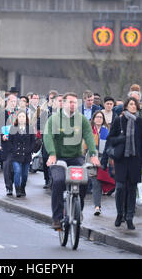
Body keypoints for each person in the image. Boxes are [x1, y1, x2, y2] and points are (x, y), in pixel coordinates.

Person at [44, 92, 101, 230]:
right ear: (63, 103)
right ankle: (57, 218)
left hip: (75, 156)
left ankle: (78, 208)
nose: (72, 105)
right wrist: (52, 154)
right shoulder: (54, 119)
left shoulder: (81, 119)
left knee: (83, 181)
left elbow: (88, 135)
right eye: (69, 102)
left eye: (75, 102)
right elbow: (48, 136)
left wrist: (93, 154)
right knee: (58, 182)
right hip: (58, 158)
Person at [101, 97, 142, 230]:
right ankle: (119, 214)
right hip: (121, 160)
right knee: (120, 187)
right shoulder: (119, 121)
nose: (133, 106)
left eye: (135, 104)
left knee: (132, 189)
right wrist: (120, 139)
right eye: (131, 104)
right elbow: (110, 139)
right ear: (126, 106)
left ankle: (129, 217)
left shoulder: (140, 122)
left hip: (135, 160)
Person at [85, 111, 110, 216]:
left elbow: (109, 146)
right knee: (94, 183)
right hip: (91, 158)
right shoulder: (89, 131)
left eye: (101, 117)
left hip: (103, 159)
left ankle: (97, 206)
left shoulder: (106, 131)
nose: (99, 119)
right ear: (93, 118)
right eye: (97, 117)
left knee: (98, 184)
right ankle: (96, 206)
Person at [8, 111, 36, 197]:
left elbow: (33, 141)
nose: (21, 118)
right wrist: (13, 150)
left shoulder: (30, 129)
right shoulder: (13, 128)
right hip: (16, 155)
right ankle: (17, 189)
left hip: (26, 155)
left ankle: (23, 187)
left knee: (25, 175)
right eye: (20, 116)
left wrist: (30, 150)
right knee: (17, 171)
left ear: (26, 118)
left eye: (23, 116)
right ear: (17, 118)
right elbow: (10, 141)